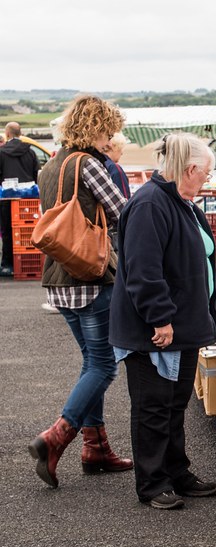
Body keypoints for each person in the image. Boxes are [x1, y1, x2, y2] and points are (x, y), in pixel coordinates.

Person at [109, 133, 216, 510]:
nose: (206, 181)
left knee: (174, 404)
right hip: (156, 330)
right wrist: (160, 318)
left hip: (182, 325)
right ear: (189, 169)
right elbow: (143, 270)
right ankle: (153, 482)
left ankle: (177, 471)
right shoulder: (150, 205)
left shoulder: (181, 201)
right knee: (153, 406)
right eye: (204, 175)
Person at [28, 95, 133, 488]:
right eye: (107, 130)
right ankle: (57, 437)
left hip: (59, 277)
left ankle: (96, 448)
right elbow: (124, 211)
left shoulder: (50, 166)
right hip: (90, 276)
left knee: (92, 361)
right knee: (104, 365)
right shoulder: (88, 164)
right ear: (94, 128)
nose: (109, 138)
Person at [0, 121, 41, 276]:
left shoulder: (2, 153)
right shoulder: (30, 152)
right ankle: (29, 261)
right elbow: (36, 173)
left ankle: (8, 264)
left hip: (7, 199)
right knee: (27, 230)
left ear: (8, 134)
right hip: (27, 200)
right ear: (20, 133)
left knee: (7, 230)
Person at [104, 132, 131, 199]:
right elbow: (124, 199)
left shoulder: (96, 163)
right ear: (114, 147)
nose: (122, 153)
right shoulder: (114, 168)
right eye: (120, 148)